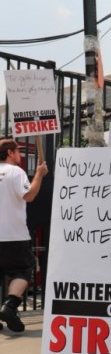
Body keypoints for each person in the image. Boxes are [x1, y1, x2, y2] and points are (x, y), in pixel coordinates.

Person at [0, 139, 48, 333]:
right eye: (18, 151)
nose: (19, 155)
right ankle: (10, 305)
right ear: (10, 153)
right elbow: (29, 195)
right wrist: (39, 174)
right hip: (13, 235)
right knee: (24, 269)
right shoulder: (16, 172)